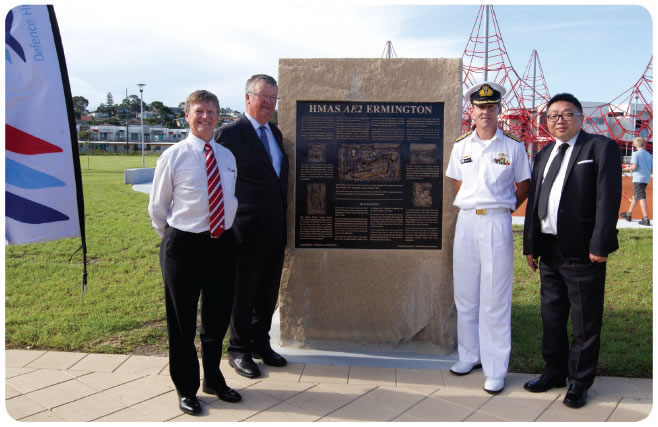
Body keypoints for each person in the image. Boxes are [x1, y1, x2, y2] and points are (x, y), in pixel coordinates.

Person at [522, 93, 622, 408]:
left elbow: (608, 199)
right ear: (546, 121)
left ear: (580, 118)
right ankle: (554, 371)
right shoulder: (543, 153)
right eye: (553, 115)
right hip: (549, 249)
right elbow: (534, 203)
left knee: (584, 321)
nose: (560, 120)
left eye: (567, 114)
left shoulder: (599, 147)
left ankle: (579, 382)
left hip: (583, 251)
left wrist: (600, 244)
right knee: (551, 317)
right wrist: (530, 244)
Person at [148, 90, 241, 415]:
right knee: (182, 322)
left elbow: (228, 199)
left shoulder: (227, 157)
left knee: (216, 319)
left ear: (219, 116)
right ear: (187, 116)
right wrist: (178, 237)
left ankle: (213, 379)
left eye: (212, 111)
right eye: (199, 111)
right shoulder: (173, 156)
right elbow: (158, 210)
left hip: (221, 244)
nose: (206, 117)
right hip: (184, 246)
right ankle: (186, 388)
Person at [445, 81, 531, 394]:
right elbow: (456, 181)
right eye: (480, 107)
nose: (485, 111)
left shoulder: (512, 146)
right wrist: (475, 201)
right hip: (467, 222)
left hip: (496, 223)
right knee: (465, 295)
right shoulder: (461, 146)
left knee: (494, 299)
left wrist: (501, 206)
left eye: (491, 106)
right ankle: (470, 355)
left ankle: (495, 368)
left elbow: (523, 184)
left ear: (498, 110)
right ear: (472, 110)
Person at [215, 74, 289, 379]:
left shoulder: (276, 133)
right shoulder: (229, 135)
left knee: (267, 291)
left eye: (274, 98)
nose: (269, 104)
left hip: (274, 229)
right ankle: (238, 349)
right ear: (247, 98)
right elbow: (217, 186)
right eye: (263, 97)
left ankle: (261, 342)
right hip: (242, 230)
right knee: (242, 292)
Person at [620, 136, 652, 226]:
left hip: (638, 178)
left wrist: (625, 167)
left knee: (641, 197)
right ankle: (628, 214)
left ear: (635, 145)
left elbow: (634, 167)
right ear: (645, 144)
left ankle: (646, 219)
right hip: (646, 178)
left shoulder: (636, 154)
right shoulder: (649, 155)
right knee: (636, 196)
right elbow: (652, 168)